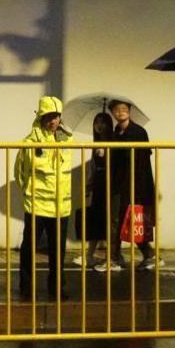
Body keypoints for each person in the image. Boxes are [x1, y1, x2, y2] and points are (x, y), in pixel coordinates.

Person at [15, 96, 73, 300]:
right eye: (49, 116)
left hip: (61, 205)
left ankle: (57, 287)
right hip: (37, 204)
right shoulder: (30, 142)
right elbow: (20, 172)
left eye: (56, 116)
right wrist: (29, 192)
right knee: (29, 248)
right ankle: (26, 287)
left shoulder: (68, 140)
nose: (53, 121)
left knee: (58, 250)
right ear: (40, 117)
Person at [97, 99, 162, 272]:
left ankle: (117, 258)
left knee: (128, 221)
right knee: (120, 221)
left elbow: (138, 161)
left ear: (129, 111)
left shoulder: (138, 132)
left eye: (124, 109)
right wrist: (104, 148)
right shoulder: (116, 131)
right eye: (117, 110)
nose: (120, 112)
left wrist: (110, 148)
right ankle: (142, 256)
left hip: (135, 185)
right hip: (120, 185)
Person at [73, 111, 113, 268]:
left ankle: (111, 256)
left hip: (110, 184)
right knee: (97, 220)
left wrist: (107, 152)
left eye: (103, 122)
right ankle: (90, 255)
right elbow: (94, 167)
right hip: (99, 185)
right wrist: (89, 185)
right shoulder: (96, 142)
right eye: (97, 122)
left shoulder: (113, 140)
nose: (99, 126)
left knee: (109, 221)